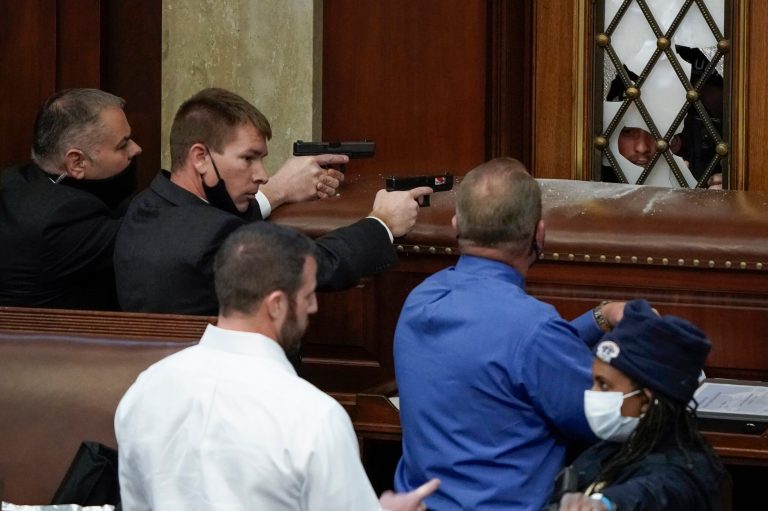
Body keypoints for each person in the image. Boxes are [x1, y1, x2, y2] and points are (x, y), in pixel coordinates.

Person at [115, 221, 440, 510]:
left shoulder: (145, 388)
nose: (313, 307)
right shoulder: (313, 416)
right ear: (277, 305)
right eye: (309, 294)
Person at [393, 158, 627, 510]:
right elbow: (608, 418)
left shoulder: (420, 301)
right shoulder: (533, 330)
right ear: (540, 233)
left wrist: (599, 318)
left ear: (456, 225)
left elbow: (517, 356)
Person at [114, 87, 430, 315]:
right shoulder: (214, 236)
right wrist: (383, 223)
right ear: (200, 157)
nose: (262, 175)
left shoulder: (144, 206)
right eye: (248, 159)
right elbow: (317, 265)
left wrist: (277, 192)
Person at [554, 299, 724, 511]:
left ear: (644, 400)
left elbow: (651, 494)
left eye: (604, 386)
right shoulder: (611, 447)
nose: (592, 394)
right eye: (594, 382)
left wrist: (605, 504)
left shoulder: (685, 474)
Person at [0, 88, 142, 309]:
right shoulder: (64, 218)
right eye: (123, 144)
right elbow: (147, 236)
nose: (136, 149)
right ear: (76, 162)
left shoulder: (14, 181)